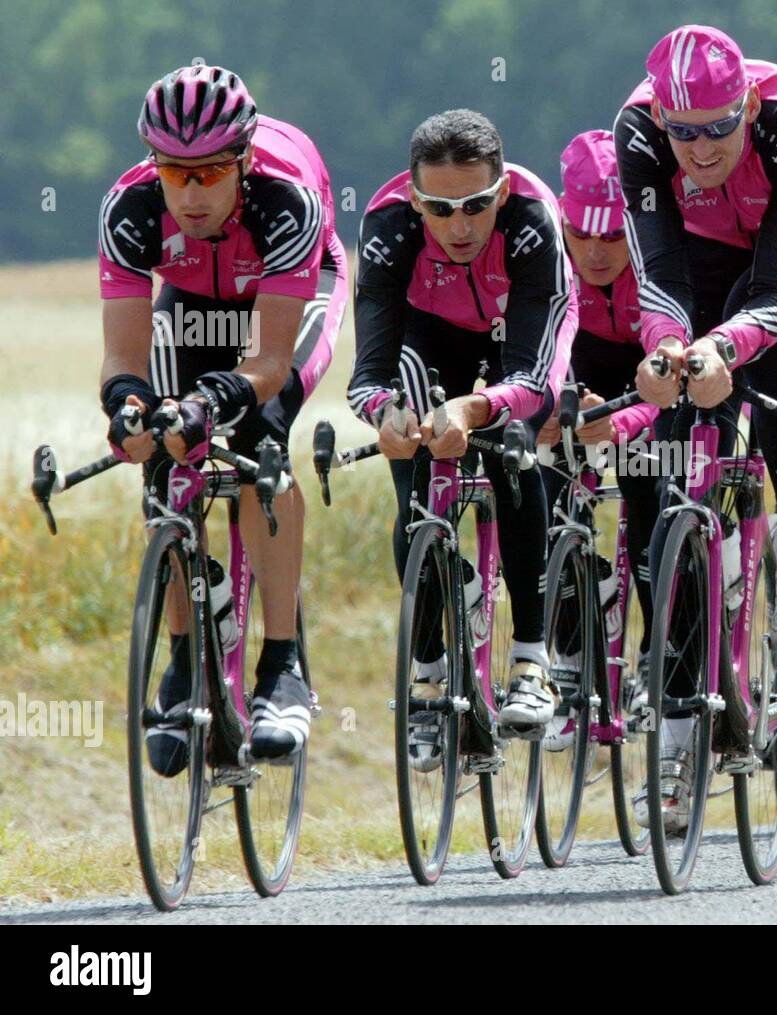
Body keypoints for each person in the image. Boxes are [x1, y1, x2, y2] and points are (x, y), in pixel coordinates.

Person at [614, 24, 777, 830]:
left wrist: (727, 344)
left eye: (720, 127)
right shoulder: (637, 130)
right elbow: (657, 272)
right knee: (674, 413)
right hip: (702, 247)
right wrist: (668, 350)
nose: (702, 146)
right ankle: (683, 734)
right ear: (661, 122)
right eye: (683, 133)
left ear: (747, 105)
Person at [99, 61, 346, 771]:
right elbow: (122, 356)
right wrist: (131, 408)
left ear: (242, 157)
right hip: (192, 294)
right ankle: (182, 663)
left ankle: (283, 665)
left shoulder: (284, 199)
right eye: (175, 172)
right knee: (161, 453)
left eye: (209, 172)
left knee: (259, 441)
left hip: (289, 289)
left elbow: (269, 360)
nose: (191, 191)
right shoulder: (129, 209)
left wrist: (210, 401)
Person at [347, 109, 577, 735]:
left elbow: (533, 377)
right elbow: (367, 374)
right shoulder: (387, 226)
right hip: (432, 332)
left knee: (514, 445)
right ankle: (428, 668)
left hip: (516, 336)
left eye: (476, 205)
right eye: (440, 209)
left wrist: (476, 409)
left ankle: (532, 660)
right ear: (415, 200)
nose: (460, 224)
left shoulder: (532, 220)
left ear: (501, 191)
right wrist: (386, 413)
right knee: (416, 483)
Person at [536, 130, 660, 749]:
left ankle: (653, 665)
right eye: (579, 233)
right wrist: (544, 410)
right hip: (582, 366)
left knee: (651, 494)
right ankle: (568, 669)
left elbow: (679, 390)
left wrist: (626, 422)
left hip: (651, 380)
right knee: (548, 492)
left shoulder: (664, 249)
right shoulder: (548, 255)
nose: (595, 252)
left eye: (614, 235)